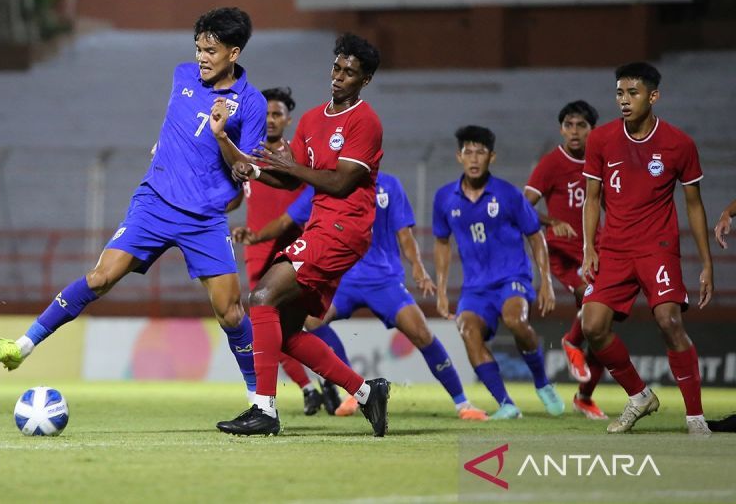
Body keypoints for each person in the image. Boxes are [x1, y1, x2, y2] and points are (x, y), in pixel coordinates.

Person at [0, 7, 263, 400]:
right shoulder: (182, 75)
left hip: (203, 216)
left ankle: (261, 402)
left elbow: (248, 170)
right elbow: (177, 123)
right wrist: (164, 147)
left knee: (231, 312)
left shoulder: (251, 104)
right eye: (198, 47)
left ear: (233, 54)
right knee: (100, 277)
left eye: (211, 51)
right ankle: (21, 347)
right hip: (155, 202)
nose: (201, 57)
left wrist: (221, 137)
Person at [216, 33, 389, 437]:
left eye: (350, 73)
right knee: (287, 331)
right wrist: (254, 170)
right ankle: (365, 392)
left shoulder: (365, 121)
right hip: (322, 226)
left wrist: (290, 167)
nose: (340, 77)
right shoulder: (312, 120)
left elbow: (341, 183)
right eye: (337, 68)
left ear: (365, 80)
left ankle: (264, 410)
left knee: (260, 298)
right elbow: (290, 176)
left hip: (345, 227)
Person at [238, 172, 487, 420]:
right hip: (343, 278)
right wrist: (255, 237)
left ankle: (462, 403)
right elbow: (285, 221)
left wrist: (418, 267)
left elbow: (405, 234)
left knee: (421, 332)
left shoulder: (389, 185)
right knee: (311, 323)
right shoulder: (325, 185)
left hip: (384, 279)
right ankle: (354, 390)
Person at [581, 62, 714, 435]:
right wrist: (590, 247)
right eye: (620, 93)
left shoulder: (679, 143)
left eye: (633, 93)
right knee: (593, 326)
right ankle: (639, 396)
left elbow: (694, 205)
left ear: (653, 96)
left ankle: (695, 418)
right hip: (614, 250)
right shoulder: (601, 139)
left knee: (670, 321)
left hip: (657, 248)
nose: (624, 100)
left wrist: (706, 263)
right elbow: (592, 199)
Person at [433, 125, 564, 420]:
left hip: (512, 278)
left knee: (515, 319)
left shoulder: (508, 194)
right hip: (475, 289)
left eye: (481, 152)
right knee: (467, 330)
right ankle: (507, 404)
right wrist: (441, 290)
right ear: (459, 156)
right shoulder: (444, 198)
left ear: (492, 157)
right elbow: (442, 243)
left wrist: (546, 281)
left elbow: (535, 235)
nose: (474, 158)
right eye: (469, 152)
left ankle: (543, 384)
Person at [233, 86, 344, 416]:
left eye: (277, 114)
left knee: (308, 322)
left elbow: (293, 211)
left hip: (294, 245)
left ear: (288, 119)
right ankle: (308, 388)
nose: (270, 120)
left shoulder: (297, 157)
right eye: (265, 114)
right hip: (257, 248)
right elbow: (234, 196)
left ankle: (330, 381)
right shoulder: (247, 155)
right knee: (263, 320)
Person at [524, 101, 607, 420]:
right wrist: (549, 222)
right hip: (562, 252)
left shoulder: (601, 162)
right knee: (590, 296)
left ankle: (585, 397)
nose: (574, 131)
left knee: (603, 328)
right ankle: (571, 342)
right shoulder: (551, 164)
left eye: (581, 125)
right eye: (569, 125)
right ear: (561, 129)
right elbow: (522, 205)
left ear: (592, 130)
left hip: (595, 250)